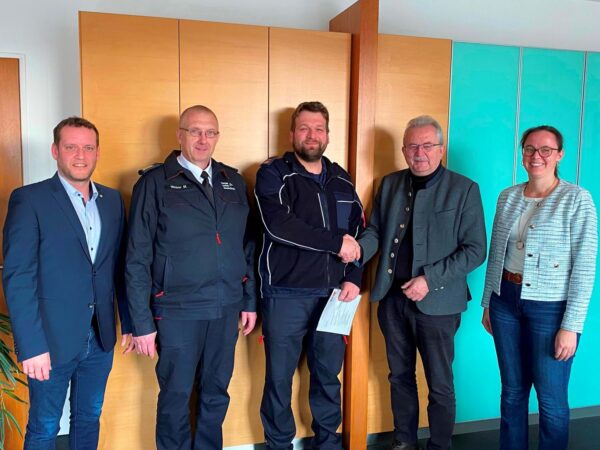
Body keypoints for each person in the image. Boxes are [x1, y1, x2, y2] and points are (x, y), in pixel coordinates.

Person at [126, 104, 257, 450]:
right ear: (179, 135)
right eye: (195, 131)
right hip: (177, 310)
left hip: (225, 307)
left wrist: (249, 301)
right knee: (176, 395)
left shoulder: (233, 181)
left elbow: (246, 247)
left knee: (216, 393)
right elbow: (137, 257)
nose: (203, 139)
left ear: (217, 137)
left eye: (210, 132)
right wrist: (141, 322)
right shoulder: (155, 183)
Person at [2, 116, 133, 449]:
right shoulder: (29, 199)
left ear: (97, 152)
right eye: (71, 147)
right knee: (45, 426)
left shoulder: (112, 201)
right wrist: (31, 346)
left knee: (89, 418)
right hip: (50, 339)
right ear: (55, 151)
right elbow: (18, 276)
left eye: (88, 147)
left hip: (100, 336)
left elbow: (118, 268)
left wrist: (130, 324)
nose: (80, 155)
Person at [356, 115, 486, 450]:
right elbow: (375, 232)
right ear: (403, 150)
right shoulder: (389, 184)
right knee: (399, 376)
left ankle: (439, 446)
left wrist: (429, 280)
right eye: (413, 146)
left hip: (439, 305)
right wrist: (357, 250)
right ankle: (404, 442)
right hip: (392, 300)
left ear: (441, 149)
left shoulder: (464, 189)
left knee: (439, 384)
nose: (419, 152)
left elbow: (476, 250)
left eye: (427, 145)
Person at [254, 101, 364, 450]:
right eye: (304, 128)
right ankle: (279, 445)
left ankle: (328, 443)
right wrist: (334, 243)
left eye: (318, 129)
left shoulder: (341, 179)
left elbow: (357, 233)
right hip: (285, 294)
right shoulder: (273, 174)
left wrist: (354, 277)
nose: (312, 135)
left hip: (334, 295)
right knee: (279, 379)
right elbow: (279, 226)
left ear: (327, 135)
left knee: (328, 378)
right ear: (292, 134)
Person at [481, 125, 597, 450]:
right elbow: (497, 253)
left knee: (551, 398)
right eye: (530, 149)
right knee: (512, 391)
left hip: (550, 309)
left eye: (546, 149)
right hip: (505, 301)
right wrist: (488, 302)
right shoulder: (508, 197)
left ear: (559, 155)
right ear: (522, 154)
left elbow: (584, 267)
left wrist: (571, 326)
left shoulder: (577, 199)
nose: (537, 156)